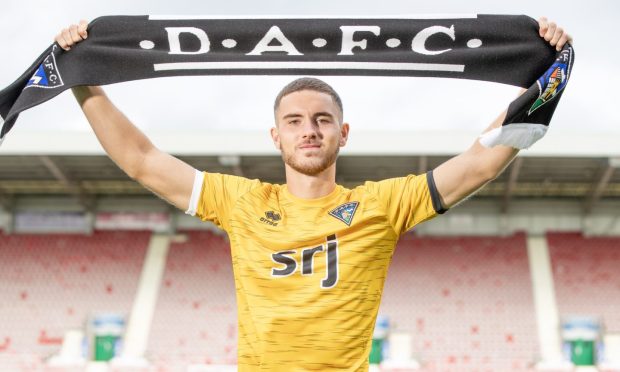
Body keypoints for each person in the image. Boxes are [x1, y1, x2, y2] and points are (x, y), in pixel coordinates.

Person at [56, 17, 571, 371]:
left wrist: (548, 74)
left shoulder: (381, 206)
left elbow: (480, 162)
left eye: (323, 120)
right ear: (275, 135)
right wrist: (82, 80)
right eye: (295, 121)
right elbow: (142, 161)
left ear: (343, 134)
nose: (310, 130)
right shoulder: (241, 201)